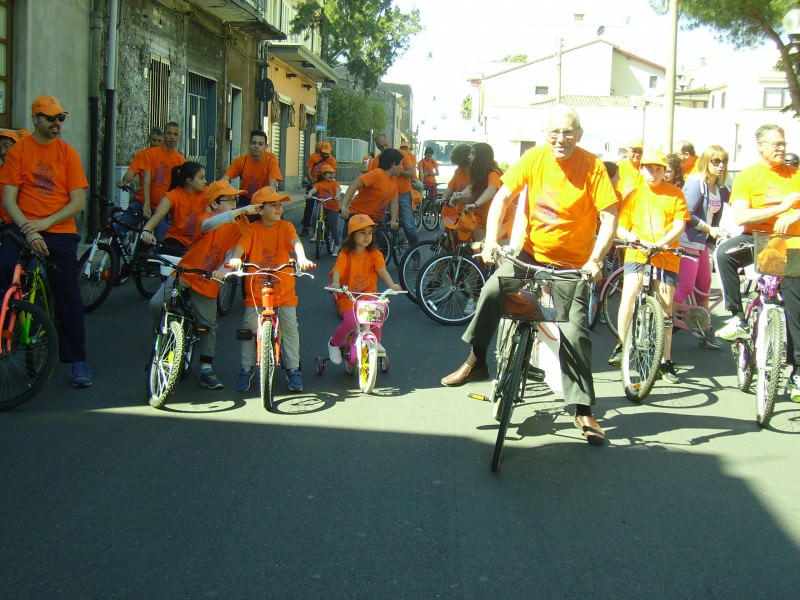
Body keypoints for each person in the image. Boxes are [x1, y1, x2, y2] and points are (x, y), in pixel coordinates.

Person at [440, 106, 619, 445]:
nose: (561, 139)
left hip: (571, 266)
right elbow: (503, 197)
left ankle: (582, 409)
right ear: (546, 134)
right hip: (529, 254)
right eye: (555, 132)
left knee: (575, 332)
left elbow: (609, 217)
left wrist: (596, 259)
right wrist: (492, 240)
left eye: (568, 132)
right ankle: (477, 358)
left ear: (578, 135)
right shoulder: (535, 159)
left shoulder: (592, 166)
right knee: (493, 290)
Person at [0, 95, 93, 387]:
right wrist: (30, 230)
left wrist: (44, 224)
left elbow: (78, 202)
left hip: (58, 228)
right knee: (4, 271)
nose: (56, 124)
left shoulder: (68, 154)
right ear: (36, 119)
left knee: (67, 293)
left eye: (60, 118)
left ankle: (78, 360)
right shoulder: (20, 151)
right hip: (24, 227)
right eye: (50, 118)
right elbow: (8, 198)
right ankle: (7, 332)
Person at [713, 124, 800, 400]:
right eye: (776, 144)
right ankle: (738, 317)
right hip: (757, 239)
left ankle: (797, 373)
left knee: (795, 309)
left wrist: (795, 216)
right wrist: (779, 208)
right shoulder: (748, 176)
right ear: (760, 145)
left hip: (790, 245)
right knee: (724, 253)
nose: (781, 149)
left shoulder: (795, 173)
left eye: (784, 143)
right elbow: (740, 217)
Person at [148, 180, 252, 389]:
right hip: (185, 274)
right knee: (157, 304)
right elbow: (207, 226)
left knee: (208, 326)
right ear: (214, 204)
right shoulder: (205, 219)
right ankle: (162, 337)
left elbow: (234, 252)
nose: (234, 203)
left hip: (208, 280)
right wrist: (239, 210)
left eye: (236, 199)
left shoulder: (239, 226)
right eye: (229, 200)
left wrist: (224, 269)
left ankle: (206, 368)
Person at [609, 149, 690, 383]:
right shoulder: (633, 195)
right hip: (637, 252)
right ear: (641, 170)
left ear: (665, 172)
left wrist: (660, 244)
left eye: (658, 169)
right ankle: (622, 344)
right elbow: (621, 227)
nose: (653, 173)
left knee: (665, 308)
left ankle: (665, 361)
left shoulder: (675, 194)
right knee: (630, 296)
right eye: (648, 168)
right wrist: (637, 240)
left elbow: (678, 226)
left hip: (666, 254)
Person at [227, 187, 315, 394]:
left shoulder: (285, 227)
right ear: (259, 209)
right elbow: (241, 247)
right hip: (256, 293)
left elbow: (295, 242)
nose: (278, 208)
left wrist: (301, 258)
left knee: (290, 328)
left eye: (280, 204)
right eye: (273, 205)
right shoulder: (252, 230)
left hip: (284, 291)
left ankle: (293, 368)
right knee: (249, 328)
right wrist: (236, 258)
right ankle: (246, 367)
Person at [326, 214, 402, 364]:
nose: (367, 237)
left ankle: (376, 341)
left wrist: (392, 285)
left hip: (367, 295)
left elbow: (382, 270)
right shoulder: (345, 253)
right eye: (362, 233)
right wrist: (335, 283)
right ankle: (334, 343)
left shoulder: (374, 253)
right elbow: (338, 270)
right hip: (349, 296)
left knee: (377, 313)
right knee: (351, 321)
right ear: (352, 235)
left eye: (370, 233)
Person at [675, 145, 730, 350]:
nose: (720, 166)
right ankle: (661, 323)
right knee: (685, 286)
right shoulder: (696, 183)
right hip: (687, 240)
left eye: (723, 161)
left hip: (703, 242)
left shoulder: (721, 189)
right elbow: (686, 213)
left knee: (705, 287)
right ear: (706, 161)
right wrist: (709, 228)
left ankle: (706, 330)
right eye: (715, 161)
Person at [141, 161, 208, 255]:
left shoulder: (206, 193)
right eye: (201, 178)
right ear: (189, 180)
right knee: (161, 262)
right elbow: (158, 214)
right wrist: (147, 230)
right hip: (177, 241)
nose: (205, 181)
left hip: (199, 241)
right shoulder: (174, 195)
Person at [340, 148, 403, 238]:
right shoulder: (377, 174)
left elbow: (394, 200)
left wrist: (393, 220)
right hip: (359, 217)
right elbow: (354, 184)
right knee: (353, 249)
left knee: (382, 248)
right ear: (393, 165)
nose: (402, 167)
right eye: (400, 164)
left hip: (374, 221)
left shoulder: (393, 180)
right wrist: (344, 206)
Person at [142, 122, 186, 239]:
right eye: (169, 133)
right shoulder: (151, 154)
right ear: (164, 135)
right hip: (145, 201)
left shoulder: (181, 161)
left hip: (166, 209)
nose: (172, 137)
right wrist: (146, 203)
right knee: (122, 225)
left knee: (161, 242)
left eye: (175, 134)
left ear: (179, 137)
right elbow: (147, 178)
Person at [223, 130, 282, 208]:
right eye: (254, 143)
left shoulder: (271, 160)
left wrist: (271, 200)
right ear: (249, 145)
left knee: (276, 217)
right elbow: (224, 180)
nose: (256, 146)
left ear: (266, 146)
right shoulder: (241, 161)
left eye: (260, 144)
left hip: (266, 198)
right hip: (246, 198)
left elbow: (273, 183)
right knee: (238, 217)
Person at [301, 141, 337, 236]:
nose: (325, 155)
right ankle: (306, 228)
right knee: (309, 204)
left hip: (325, 184)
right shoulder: (313, 157)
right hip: (313, 182)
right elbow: (308, 171)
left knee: (328, 203)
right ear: (320, 151)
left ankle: (327, 223)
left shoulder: (332, 160)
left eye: (327, 153)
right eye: (323, 152)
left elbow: (333, 174)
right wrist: (312, 181)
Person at [306, 164, 341, 254]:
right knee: (314, 216)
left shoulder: (335, 183)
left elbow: (337, 190)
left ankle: (337, 245)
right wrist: (310, 194)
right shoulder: (319, 184)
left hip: (333, 206)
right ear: (323, 175)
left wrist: (337, 195)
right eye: (328, 173)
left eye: (332, 173)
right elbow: (314, 190)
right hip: (322, 205)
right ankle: (316, 234)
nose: (331, 175)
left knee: (333, 226)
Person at [0, 128, 22, 224]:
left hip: (27, 225)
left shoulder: (29, 170)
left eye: (6, 146)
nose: (2, 151)